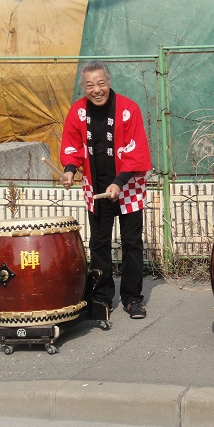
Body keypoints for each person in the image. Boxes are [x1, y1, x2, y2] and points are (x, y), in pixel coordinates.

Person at [60, 60, 152, 319]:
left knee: (132, 242)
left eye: (101, 83)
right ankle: (100, 298)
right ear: (83, 87)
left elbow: (137, 151)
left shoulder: (128, 109)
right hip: (96, 187)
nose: (96, 89)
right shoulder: (78, 111)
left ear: (109, 82)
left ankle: (133, 298)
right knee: (99, 243)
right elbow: (72, 145)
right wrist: (69, 169)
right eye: (90, 85)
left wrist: (119, 182)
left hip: (129, 185)